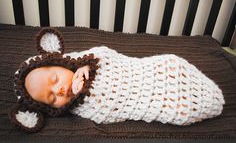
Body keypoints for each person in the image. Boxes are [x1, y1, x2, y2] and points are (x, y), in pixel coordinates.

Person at [9, 27, 225, 133]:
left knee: (170, 64)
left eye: (55, 79)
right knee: (179, 109)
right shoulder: (81, 108)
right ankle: (192, 102)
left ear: (60, 63)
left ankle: (195, 88)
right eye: (51, 98)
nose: (59, 90)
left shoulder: (85, 60)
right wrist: (83, 92)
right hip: (140, 98)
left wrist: (85, 68)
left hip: (145, 71)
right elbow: (107, 113)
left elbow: (106, 54)